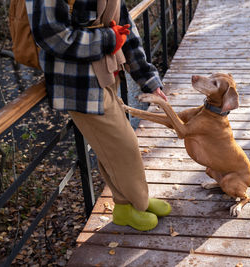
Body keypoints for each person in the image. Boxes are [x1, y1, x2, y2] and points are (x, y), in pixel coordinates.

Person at [27, 0, 171, 231]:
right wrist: (108, 39)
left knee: (112, 147)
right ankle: (138, 202)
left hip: (108, 70)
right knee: (125, 145)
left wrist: (147, 78)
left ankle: (128, 206)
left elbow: (125, 26)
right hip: (79, 84)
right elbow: (50, 35)